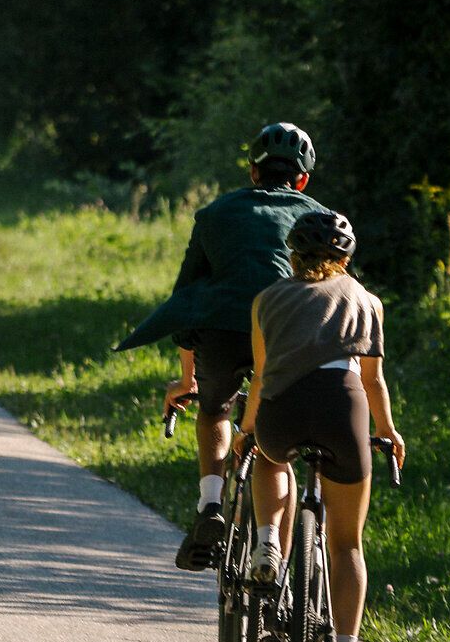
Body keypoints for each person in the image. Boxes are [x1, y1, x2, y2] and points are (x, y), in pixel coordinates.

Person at [116, 121, 326, 570]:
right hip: (287, 335)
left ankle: (211, 502)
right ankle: (271, 557)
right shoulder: (319, 220)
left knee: (215, 410)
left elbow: (188, 296)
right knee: (275, 444)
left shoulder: (214, 214)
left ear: (253, 171)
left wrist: (188, 378)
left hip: (221, 331)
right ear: (303, 178)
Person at [237, 208, 406, 642]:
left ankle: (268, 542)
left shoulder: (266, 299)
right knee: (347, 543)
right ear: (346, 256)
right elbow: (372, 380)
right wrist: (388, 430)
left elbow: (264, 377)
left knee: (271, 457)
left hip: (283, 410)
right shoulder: (367, 300)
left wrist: (249, 429)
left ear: (293, 254)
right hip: (342, 408)